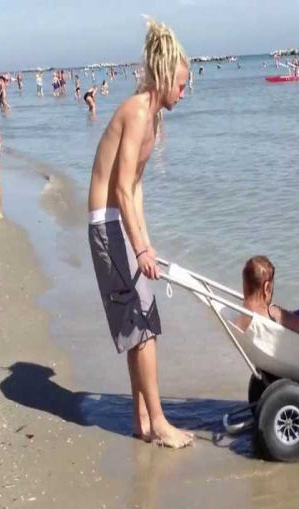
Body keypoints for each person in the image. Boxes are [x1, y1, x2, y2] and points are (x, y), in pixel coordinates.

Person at [87, 19, 193, 448]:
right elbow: (118, 188)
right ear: (165, 76)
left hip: (118, 224)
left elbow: (135, 188)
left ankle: (141, 419)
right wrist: (138, 246)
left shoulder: (154, 119)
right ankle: (161, 423)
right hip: (106, 225)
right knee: (144, 325)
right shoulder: (135, 111)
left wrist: (146, 244)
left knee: (139, 325)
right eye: (182, 85)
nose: (184, 93)